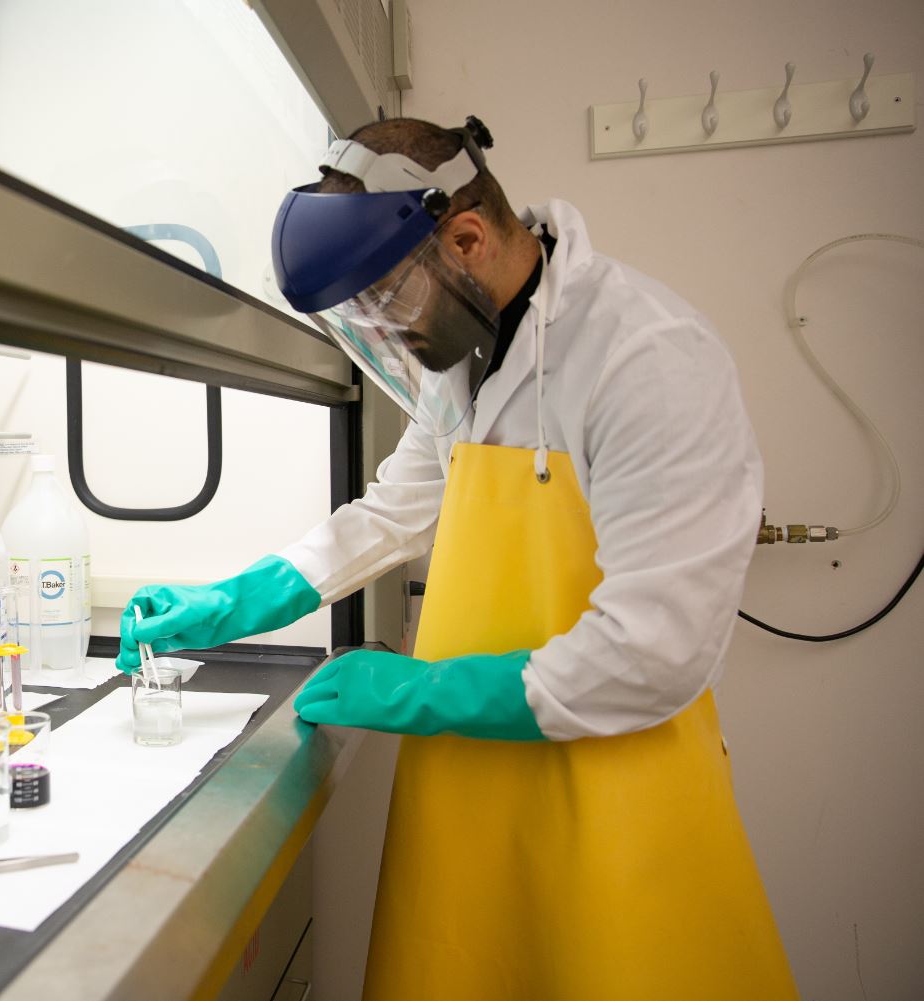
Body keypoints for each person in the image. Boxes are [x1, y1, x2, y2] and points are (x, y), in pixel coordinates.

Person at [119, 116, 799, 1000]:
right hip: (473, 793)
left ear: (466, 238)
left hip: (613, 802)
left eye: (382, 305)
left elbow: (653, 651)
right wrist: (239, 598)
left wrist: (421, 690)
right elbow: (392, 512)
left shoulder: (645, 356)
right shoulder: (465, 363)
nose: (385, 337)